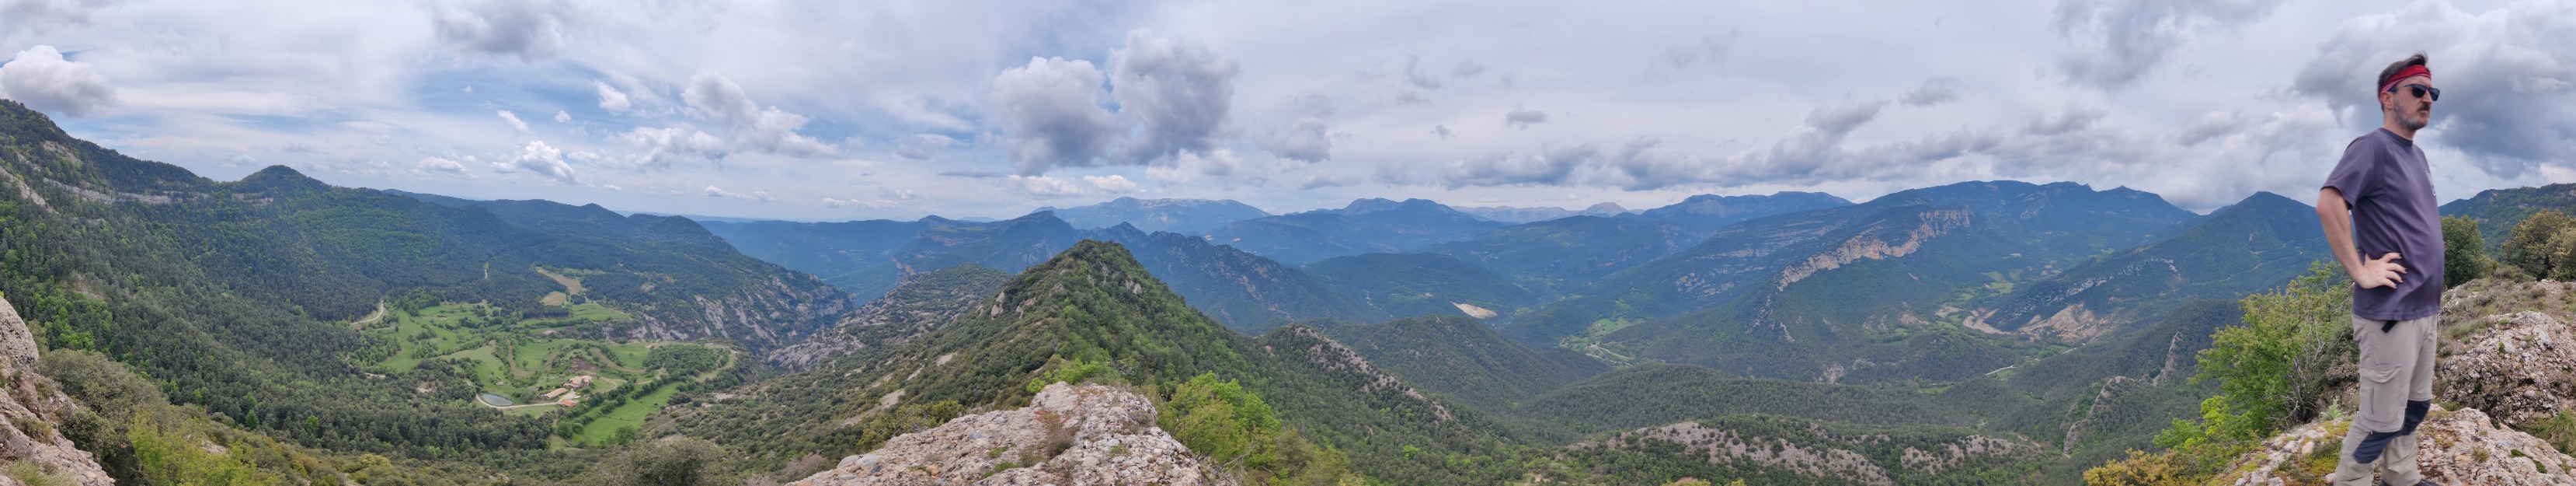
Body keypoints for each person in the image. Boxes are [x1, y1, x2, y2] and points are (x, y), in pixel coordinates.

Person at [2316, 51, 2443, 486]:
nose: (2428, 99)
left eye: (2433, 92)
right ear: (2388, 98)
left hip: (2424, 309)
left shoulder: (2416, 156)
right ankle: (2350, 482)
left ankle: (2401, 476)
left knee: (2413, 407)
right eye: (2418, 91)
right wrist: (2360, 270)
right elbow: (2330, 202)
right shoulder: (2371, 147)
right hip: (2389, 314)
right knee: (2379, 419)